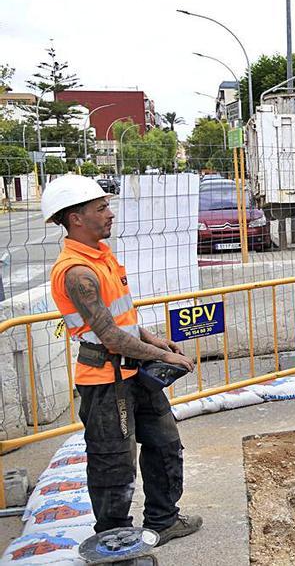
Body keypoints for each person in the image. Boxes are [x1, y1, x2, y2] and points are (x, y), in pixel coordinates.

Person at [43, 175, 203, 544]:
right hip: (104, 381)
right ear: (75, 218)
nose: (110, 214)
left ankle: (163, 520)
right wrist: (164, 355)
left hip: (134, 371)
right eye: (101, 208)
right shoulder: (77, 271)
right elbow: (110, 336)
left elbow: (123, 319)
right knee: (113, 463)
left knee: (164, 444)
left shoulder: (102, 256)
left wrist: (154, 339)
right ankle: (113, 538)